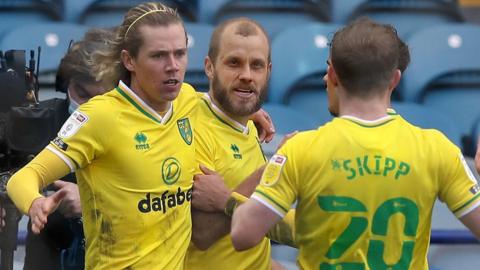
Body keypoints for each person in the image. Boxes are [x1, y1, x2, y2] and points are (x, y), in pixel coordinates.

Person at [231, 18, 480, 269]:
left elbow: (243, 233)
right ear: (394, 79)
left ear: (332, 75)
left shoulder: (301, 149)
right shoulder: (437, 148)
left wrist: (236, 193)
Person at [7, 2, 199, 269]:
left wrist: (250, 115)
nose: (173, 66)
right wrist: (36, 203)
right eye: (158, 56)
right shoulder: (99, 116)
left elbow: (217, 106)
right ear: (129, 60)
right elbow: (22, 178)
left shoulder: (188, 99)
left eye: (180, 53)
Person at [184, 17, 283, 269]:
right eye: (234, 63)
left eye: (257, 66)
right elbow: (202, 235)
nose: (247, 75)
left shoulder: (247, 122)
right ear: (209, 67)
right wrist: (272, 169)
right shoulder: (191, 128)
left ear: (268, 71)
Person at [21, 28, 113, 270]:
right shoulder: (40, 120)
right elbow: (10, 172)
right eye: (82, 94)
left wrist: (91, 202)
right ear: (64, 84)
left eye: (101, 98)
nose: (89, 108)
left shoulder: (139, 129)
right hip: (47, 256)